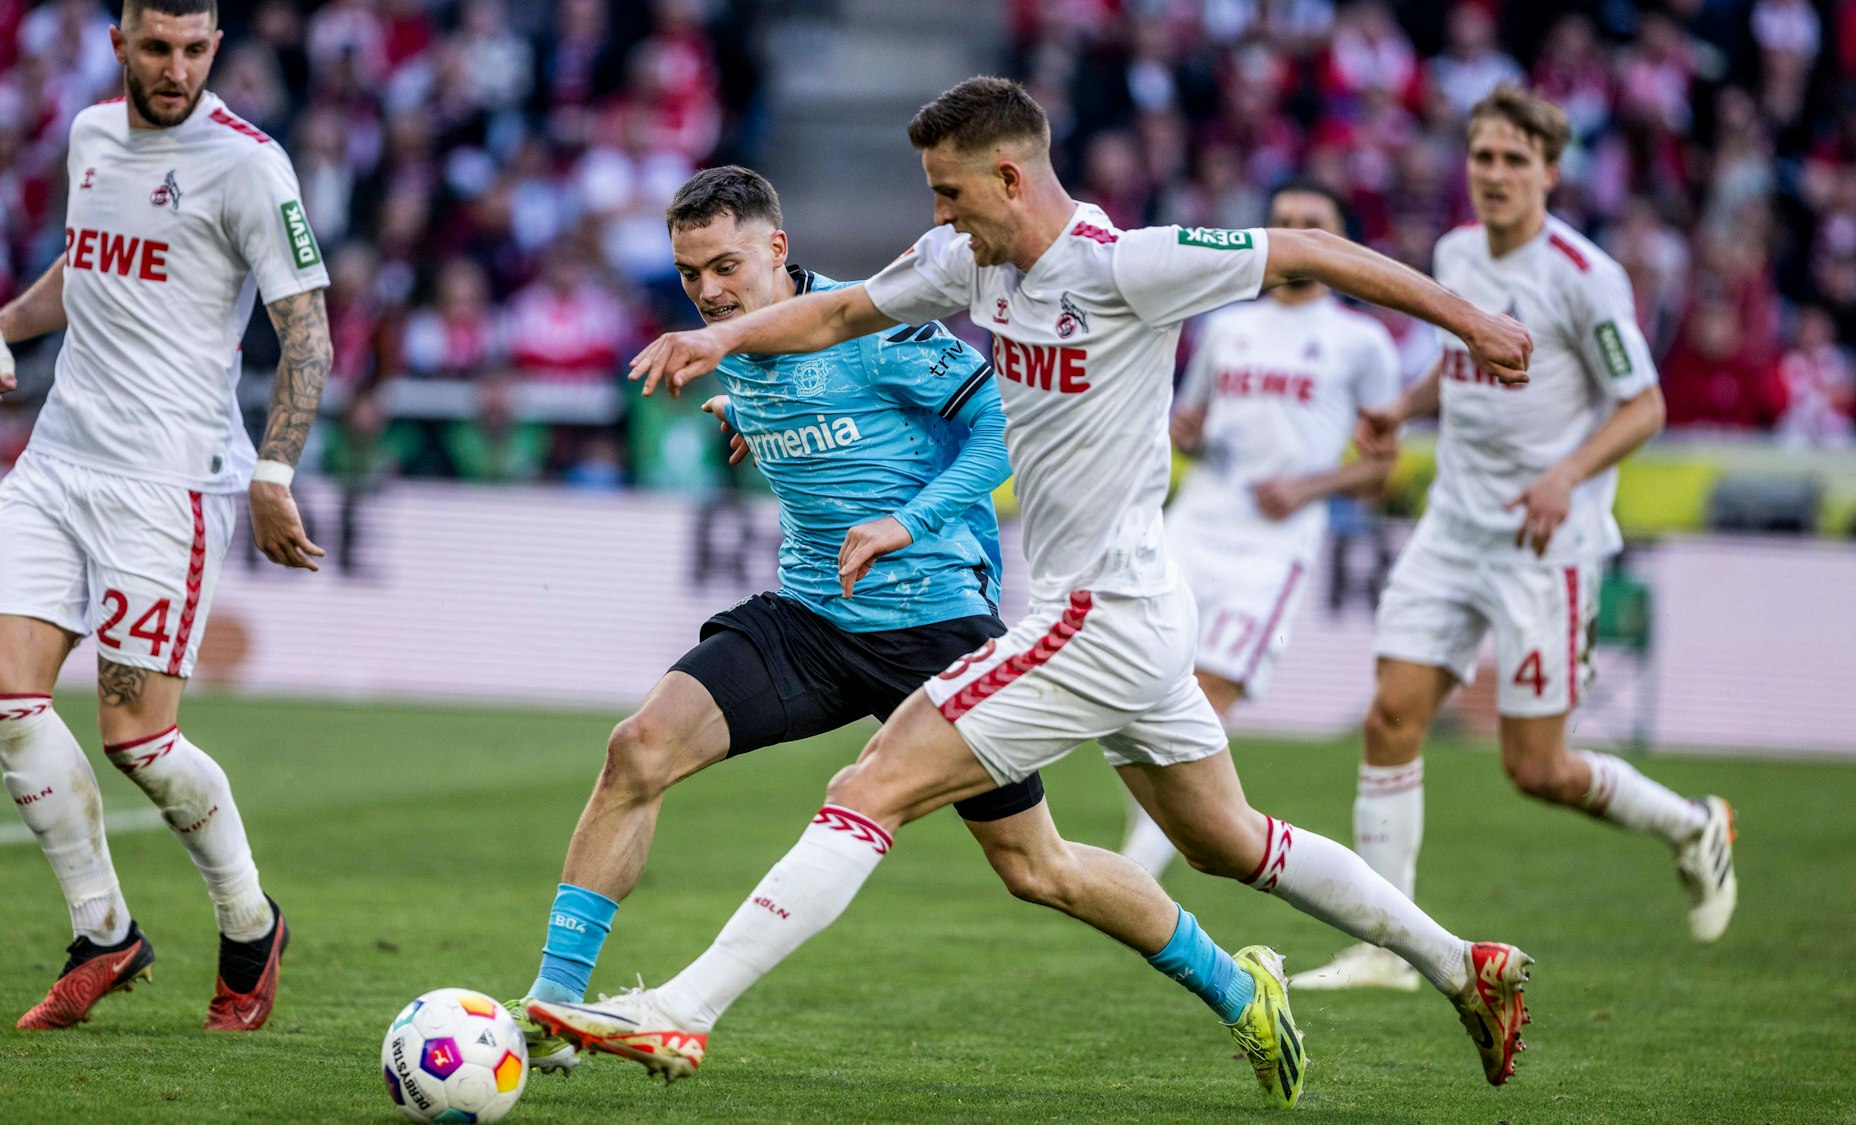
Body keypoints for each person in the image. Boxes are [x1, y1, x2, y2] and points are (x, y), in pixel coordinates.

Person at [529, 77, 1539, 1106]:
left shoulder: (1128, 266)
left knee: (866, 790)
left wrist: (1469, 324)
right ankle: (1463, 964)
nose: (936, 215)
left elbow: (1311, 254)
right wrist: (721, 342)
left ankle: (681, 1013)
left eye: (948, 192)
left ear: (1007, 177)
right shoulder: (969, 265)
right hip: (1126, 612)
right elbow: (835, 311)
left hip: (1095, 614)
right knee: (1228, 842)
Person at [513, 166, 1312, 1087]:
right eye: (691, 274)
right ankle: (557, 1009)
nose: (709, 291)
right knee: (638, 748)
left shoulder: (882, 327)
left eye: (725, 266)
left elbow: (1003, 429)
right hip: (810, 618)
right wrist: (752, 410)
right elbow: (812, 406)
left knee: (1036, 866)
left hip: (938, 629)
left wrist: (909, 520)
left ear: (779, 247)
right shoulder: (728, 343)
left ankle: (1240, 988)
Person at [1291, 86, 1735, 993]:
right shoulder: (1456, 250)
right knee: (1390, 718)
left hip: (1548, 541)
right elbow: (1460, 364)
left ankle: (1693, 825)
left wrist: (1566, 474)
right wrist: (1401, 409)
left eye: (1512, 160)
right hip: (1454, 521)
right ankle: (1387, 947)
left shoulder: (1583, 274)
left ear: (1549, 170)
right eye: (1482, 157)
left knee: (1537, 767)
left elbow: (1644, 404)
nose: (1492, 174)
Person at [0, 0, 333, 1032]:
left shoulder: (249, 165)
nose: (175, 68)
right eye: (155, 48)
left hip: (163, 488)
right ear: (118, 44)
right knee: (3, 700)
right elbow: (85, 269)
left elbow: (308, 334)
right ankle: (104, 932)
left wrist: (274, 469)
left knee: (137, 739)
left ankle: (249, 924)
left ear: (216, 48)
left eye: (194, 50)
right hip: (56, 464)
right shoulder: (88, 135)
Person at [1120, 179, 1401, 879]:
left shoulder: (1360, 341)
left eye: (1312, 222)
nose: (1296, 232)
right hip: (1193, 526)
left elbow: (1384, 470)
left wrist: (1311, 485)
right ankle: (1154, 851)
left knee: (1211, 697)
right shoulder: (1226, 324)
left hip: (1276, 548)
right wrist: (1186, 432)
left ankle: (1134, 870)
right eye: (1283, 221)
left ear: (1339, 238)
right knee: (1149, 685)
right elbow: (1191, 424)